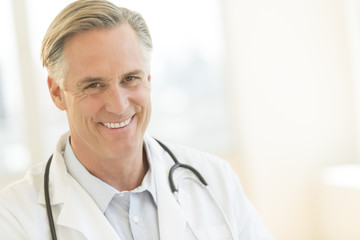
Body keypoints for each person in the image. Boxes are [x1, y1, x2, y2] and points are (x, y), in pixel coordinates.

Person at [0, 0, 274, 239]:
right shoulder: (15, 217)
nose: (118, 105)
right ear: (57, 92)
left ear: (149, 80)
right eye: (94, 85)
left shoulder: (215, 180)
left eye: (130, 79)